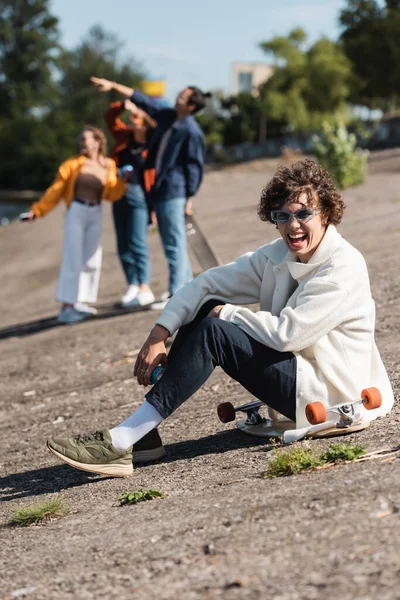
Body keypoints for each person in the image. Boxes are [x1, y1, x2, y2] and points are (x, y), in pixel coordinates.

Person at [47, 159, 394, 476]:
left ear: (326, 213)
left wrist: (229, 313)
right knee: (208, 303)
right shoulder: (277, 256)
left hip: (331, 393)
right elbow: (209, 283)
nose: (293, 226)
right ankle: (144, 434)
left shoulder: (342, 266)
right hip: (298, 374)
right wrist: (159, 332)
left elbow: (290, 334)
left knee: (217, 327)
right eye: (282, 216)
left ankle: (123, 439)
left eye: (304, 213)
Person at [90, 76, 208, 307]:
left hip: (175, 190)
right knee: (170, 241)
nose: (177, 97)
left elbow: (195, 167)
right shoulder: (167, 116)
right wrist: (113, 85)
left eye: (182, 97)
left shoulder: (192, 131)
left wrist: (189, 197)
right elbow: (141, 99)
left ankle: (178, 293)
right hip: (161, 190)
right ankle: (180, 290)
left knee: (174, 242)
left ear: (192, 106)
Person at [25, 126, 126, 324]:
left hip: (95, 212)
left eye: (84, 139)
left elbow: (112, 194)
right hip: (77, 211)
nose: (81, 143)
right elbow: (56, 189)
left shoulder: (108, 164)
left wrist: (122, 181)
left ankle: (80, 301)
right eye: (80, 140)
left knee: (91, 258)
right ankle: (66, 306)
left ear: (97, 142)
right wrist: (38, 210)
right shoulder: (73, 165)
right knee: (73, 257)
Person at [103, 98, 157, 307]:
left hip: (139, 196)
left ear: (144, 123)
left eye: (136, 117)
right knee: (122, 244)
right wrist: (122, 105)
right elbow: (109, 118)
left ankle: (145, 286)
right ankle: (132, 285)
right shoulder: (123, 137)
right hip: (119, 193)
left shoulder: (151, 145)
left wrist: (152, 208)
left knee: (137, 241)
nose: (131, 119)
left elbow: (152, 178)